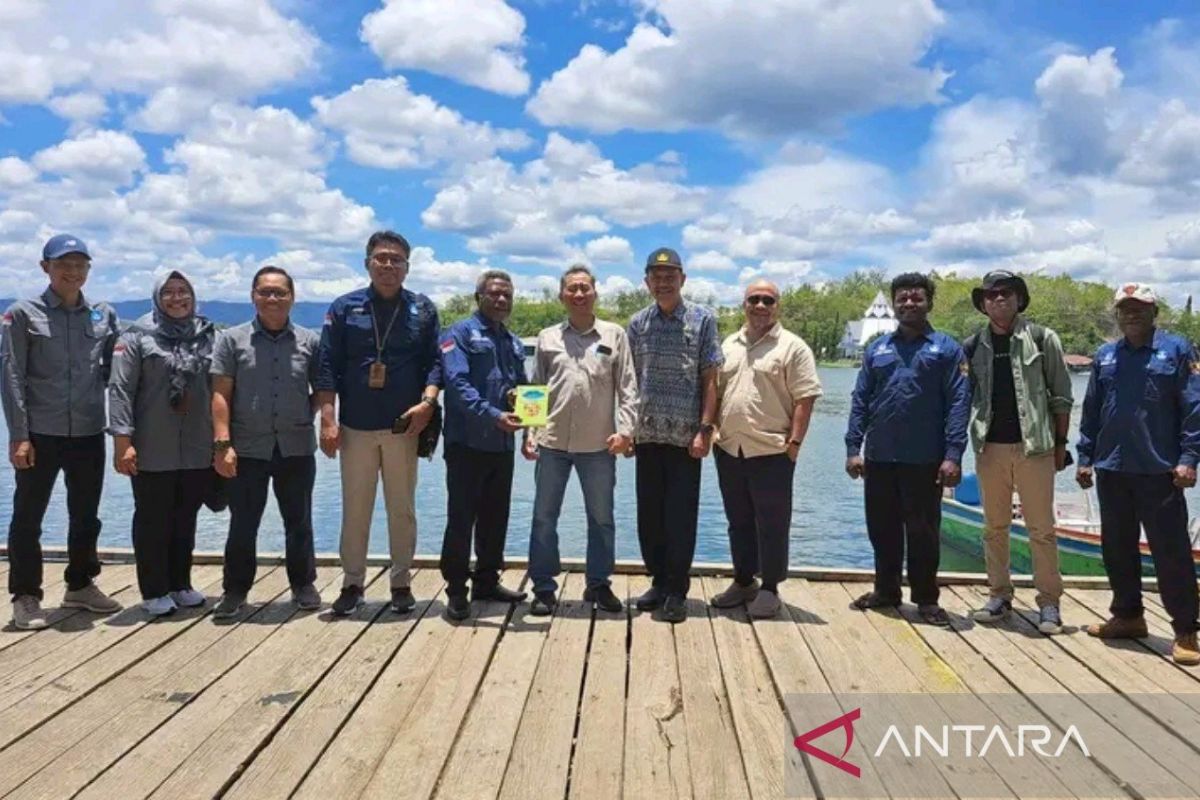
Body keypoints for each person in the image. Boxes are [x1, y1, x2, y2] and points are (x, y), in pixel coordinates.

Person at [315, 231, 441, 617]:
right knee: (356, 508)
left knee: (402, 508)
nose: (389, 265)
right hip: (355, 426)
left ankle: (401, 582)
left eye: (397, 259)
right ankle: (352, 582)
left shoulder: (422, 308)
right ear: (367, 262)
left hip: (405, 426)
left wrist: (428, 403)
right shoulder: (344, 307)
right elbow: (325, 366)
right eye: (381, 258)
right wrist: (328, 420)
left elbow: (435, 362)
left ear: (407, 265)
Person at [1, 234, 123, 630]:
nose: (72, 272)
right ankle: (25, 595)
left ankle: (80, 583)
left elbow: (115, 371)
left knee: (86, 515)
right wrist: (19, 435)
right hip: (40, 432)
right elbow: (12, 376)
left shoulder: (103, 315)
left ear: (88, 269)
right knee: (27, 517)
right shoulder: (22, 313)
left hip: (88, 430)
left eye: (79, 265)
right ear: (45, 268)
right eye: (63, 264)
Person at [1077, 283, 1200, 666]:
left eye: (1140, 307)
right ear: (1117, 314)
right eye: (1125, 308)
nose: (1132, 314)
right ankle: (1128, 616)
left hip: (1160, 469)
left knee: (1172, 551)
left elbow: (1194, 408)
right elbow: (1092, 409)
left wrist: (1189, 458)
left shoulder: (1177, 350)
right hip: (1112, 467)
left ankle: (1186, 631)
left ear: (1154, 312)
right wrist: (1084, 456)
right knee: (1116, 547)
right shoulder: (1105, 356)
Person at [844, 272, 969, 627]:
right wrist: (854, 447)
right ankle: (886, 590)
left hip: (925, 460)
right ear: (894, 303)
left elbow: (959, 403)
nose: (909, 303)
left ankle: (926, 599)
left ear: (929, 302)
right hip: (880, 457)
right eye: (902, 298)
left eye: (916, 298)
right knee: (881, 529)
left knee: (923, 531)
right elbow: (860, 401)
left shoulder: (946, 349)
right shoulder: (877, 348)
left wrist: (953, 454)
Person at [523, 265, 638, 615]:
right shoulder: (547, 337)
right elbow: (535, 390)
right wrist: (529, 434)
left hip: (599, 446)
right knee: (544, 517)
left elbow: (629, 389)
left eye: (584, 288)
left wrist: (626, 431)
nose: (578, 294)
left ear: (595, 293)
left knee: (601, 518)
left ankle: (599, 584)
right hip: (552, 443)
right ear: (561, 295)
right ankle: (543, 588)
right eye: (571, 288)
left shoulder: (614, 335)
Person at [962, 271, 1073, 634]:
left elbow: (1061, 397)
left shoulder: (1044, 338)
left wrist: (1060, 445)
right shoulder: (972, 345)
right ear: (983, 303)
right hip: (989, 448)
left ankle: (1049, 604)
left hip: (1035, 448)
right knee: (994, 527)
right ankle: (998, 595)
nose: (997, 300)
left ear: (1018, 298)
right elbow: (966, 398)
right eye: (990, 295)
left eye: (1005, 293)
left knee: (1042, 529)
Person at [210, 266, 322, 618]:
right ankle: (236, 590)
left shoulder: (310, 341)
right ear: (253, 296)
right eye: (265, 292)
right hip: (247, 448)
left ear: (292, 297)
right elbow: (220, 395)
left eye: (280, 292)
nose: (273, 298)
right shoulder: (231, 340)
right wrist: (222, 444)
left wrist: (308, 415)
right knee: (243, 522)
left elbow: (322, 388)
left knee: (299, 520)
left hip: (296, 445)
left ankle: (303, 584)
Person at [709, 280, 821, 619]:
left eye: (767, 300)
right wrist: (711, 428)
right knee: (737, 520)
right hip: (729, 447)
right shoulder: (729, 344)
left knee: (772, 523)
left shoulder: (793, 347)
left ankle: (770, 586)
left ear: (777, 305)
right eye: (754, 299)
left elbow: (805, 397)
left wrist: (795, 444)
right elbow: (716, 389)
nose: (760, 305)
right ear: (744, 304)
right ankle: (743, 580)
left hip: (772, 449)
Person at [107, 271, 216, 616]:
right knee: (153, 518)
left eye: (183, 291)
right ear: (157, 297)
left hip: (197, 443)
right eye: (168, 292)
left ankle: (180, 583)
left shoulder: (206, 335)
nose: (176, 298)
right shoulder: (137, 336)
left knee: (186, 516)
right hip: (153, 443)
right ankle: (153, 589)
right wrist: (122, 441)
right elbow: (120, 389)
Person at [626, 247, 723, 623]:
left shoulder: (703, 320)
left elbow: (710, 379)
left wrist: (705, 430)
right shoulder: (637, 323)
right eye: (656, 276)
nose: (663, 282)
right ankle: (658, 581)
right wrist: (628, 429)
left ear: (683, 279)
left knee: (680, 516)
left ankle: (677, 591)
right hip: (647, 434)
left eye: (671, 276)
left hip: (686, 439)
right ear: (647, 281)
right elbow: (630, 380)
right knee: (649, 515)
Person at [439, 270, 529, 620]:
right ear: (479, 297)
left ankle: (487, 581)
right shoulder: (459, 334)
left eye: (507, 294)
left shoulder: (512, 341)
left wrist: (531, 422)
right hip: (467, 443)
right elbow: (457, 384)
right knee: (461, 518)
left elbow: (521, 389)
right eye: (494, 294)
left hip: (502, 445)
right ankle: (457, 590)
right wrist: (493, 414)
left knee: (495, 517)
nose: (501, 300)